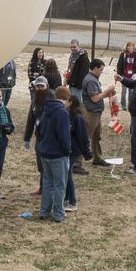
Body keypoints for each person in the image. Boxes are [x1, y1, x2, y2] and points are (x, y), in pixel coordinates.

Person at [35, 84, 72, 223]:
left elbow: (38, 130)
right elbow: (64, 136)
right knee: (59, 185)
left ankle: (44, 211)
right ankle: (58, 213)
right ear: (66, 98)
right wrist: (67, 150)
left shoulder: (45, 109)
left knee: (48, 183)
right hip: (58, 155)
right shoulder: (62, 113)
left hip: (45, 153)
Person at [61, 88, 92, 211]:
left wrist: (86, 152)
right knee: (66, 173)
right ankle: (67, 198)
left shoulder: (77, 118)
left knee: (67, 173)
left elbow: (82, 136)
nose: (64, 102)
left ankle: (72, 202)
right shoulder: (68, 115)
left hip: (74, 150)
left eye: (66, 100)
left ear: (71, 102)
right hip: (69, 149)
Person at [82, 59, 117, 167]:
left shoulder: (93, 79)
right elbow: (95, 98)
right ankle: (76, 163)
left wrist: (107, 94)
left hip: (96, 113)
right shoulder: (91, 80)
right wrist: (107, 91)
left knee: (97, 136)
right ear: (96, 68)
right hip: (92, 113)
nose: (102, 72)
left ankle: (97, 158)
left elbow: (97, 95)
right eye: (101, 69)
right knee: (85, 137)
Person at [115, 42, 136, 108]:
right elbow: (119, 65)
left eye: (131, 46)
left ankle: (131, 104)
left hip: (133, 76)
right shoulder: (123, 54)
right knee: (124, 91)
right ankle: (123, 105)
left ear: (134, 47)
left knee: (131, 91)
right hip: (124, 75)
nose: (129, 48)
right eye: (128, 46)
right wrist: (119, 74)